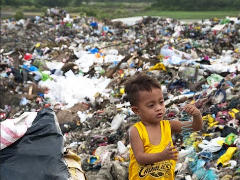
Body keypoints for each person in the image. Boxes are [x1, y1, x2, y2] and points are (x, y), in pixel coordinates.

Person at [125, 73, 203, 180]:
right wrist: (162, 156)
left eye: (161, 102)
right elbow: (140, 158)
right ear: (136, 110)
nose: (158, 108)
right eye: (151, 105)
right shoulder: (136, 131)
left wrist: (197, 115)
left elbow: (195, 127)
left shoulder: (169, 126)